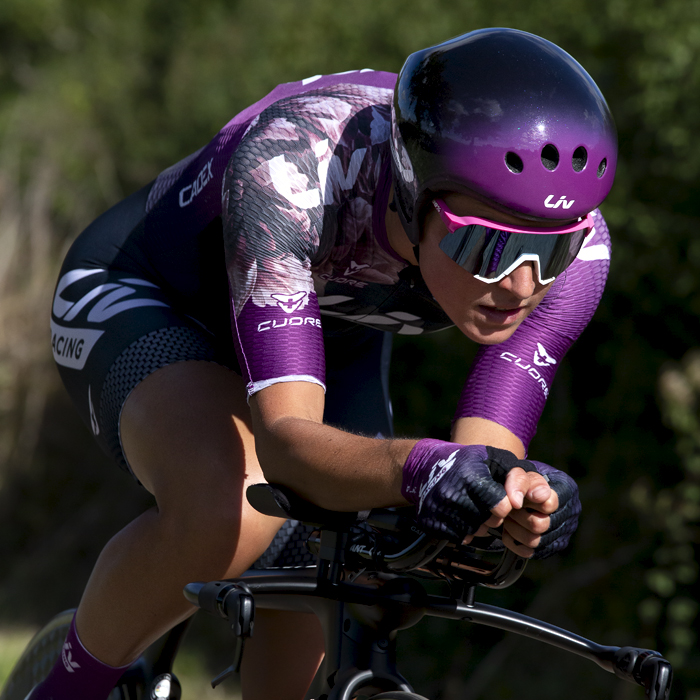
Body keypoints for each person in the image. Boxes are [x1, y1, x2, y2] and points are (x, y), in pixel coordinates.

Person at [37, 26, 615, 700]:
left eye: (550, 254)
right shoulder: (292, 166)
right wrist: (421, 468)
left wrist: (514, 498)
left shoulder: (582, 251)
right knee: (229, 503)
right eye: (487, 249)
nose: (522, 286)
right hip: (151, 298)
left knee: (361, 561)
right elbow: (286, 446)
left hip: (326, 338)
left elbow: (483, 453)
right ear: (411, 189)